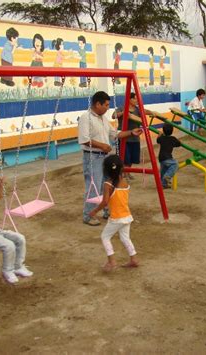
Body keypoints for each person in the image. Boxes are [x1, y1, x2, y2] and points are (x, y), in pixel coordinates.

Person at [78, 91, 143, 226]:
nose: (108, 108)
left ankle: (107, 211)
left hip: (104, 157)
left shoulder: (102, 118)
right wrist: (102, 145)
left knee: (108, 184)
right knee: (93, 186)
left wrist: (131, 132)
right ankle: (88, 216)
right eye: (106, 105)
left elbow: (114, 134)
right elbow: (84, 139)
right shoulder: (86, 118)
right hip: (92, 157)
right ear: (97, 104)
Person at [89, 155, 139, 272]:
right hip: (127, 216)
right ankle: (134, 259)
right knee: (125, 238)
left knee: (105, 237)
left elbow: (105, 201)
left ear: (106, 170)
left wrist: (94, 211)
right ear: (121, 168)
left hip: (117, 218)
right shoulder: (125, 182)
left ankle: (112, 261)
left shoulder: (108, 184)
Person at [113, 93, 152, 179]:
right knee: (124, 158)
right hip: (124, 137)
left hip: (135, 138)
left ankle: (128, 172)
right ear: (129, 100)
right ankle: (123, 173)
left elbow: (145, 111)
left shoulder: (137, 109)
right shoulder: (121, 108)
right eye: (135, 99)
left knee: (132, 158)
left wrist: (153, 113)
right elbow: (113, 116)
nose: (137, 101)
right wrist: (124, 112)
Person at [157, 123, 181, 188]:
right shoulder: (173, 139)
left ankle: (163, 184)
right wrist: (179, 141)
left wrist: (159, 135)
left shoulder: (161, 138)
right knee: (175, 164)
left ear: (163, 131)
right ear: (172, 131)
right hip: (168, 158)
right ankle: (168, 176)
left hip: (161, 158)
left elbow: (158, 140)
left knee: (163, 170)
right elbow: (178, 144)